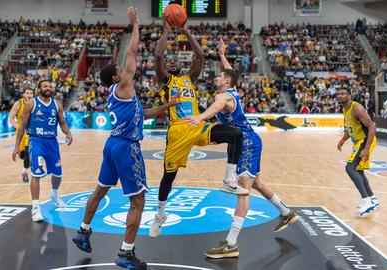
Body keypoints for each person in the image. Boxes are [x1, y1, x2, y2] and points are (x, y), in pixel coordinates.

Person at [71, 7, 180, 270]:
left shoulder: (118, 95)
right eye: (121, 70)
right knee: (138, 200)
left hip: (112, 145)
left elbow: (144, 113)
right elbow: (132, 52)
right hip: (126, 148)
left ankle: (83, 232)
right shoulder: (123, 85)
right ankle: (126, 253)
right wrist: (136, 25)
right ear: (117, 77)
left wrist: (168, 106)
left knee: (100, 190)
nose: (125, 69)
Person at [186, 39, 299, 258]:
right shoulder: (232, 89)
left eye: (220, 75)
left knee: (243, 190)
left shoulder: (224, 96)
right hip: (250, 140)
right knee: (256, 183)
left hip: (246, 143)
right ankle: (286, 212)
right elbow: (230, 73)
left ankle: (231, 244)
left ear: (226, 81)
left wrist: (199, 117)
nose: (217, 76)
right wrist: (221, 55)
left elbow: (217, 106)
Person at [149, 17, 249, 239]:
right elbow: (158, 55)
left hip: (199, 125)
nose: (173, 62)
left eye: (176, 61)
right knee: (168, 177)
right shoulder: (165, 80)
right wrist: (166, 31)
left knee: (235, 135)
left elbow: (201, 56)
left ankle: (228, 180)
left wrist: (186, 32)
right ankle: (160, 215)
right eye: (170, 61)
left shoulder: (189, 79)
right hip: (177, 131)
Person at [12, 79, 73, 222]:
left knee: (58, 174)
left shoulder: (57, 105)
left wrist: (68, 133)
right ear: (39, 89)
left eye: (50, 86)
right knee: (36, 173)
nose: (48, 88)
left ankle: (54, 194)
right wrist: (17, 146)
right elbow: (21, 127)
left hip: (52, 142)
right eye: (45, 86)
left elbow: (62, 123)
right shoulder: (31, 104)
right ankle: (35, 207)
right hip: (36, 141)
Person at [337, 87, 379, 217]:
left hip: (366, 140)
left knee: (350, 168)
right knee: (358, 171)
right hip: (358, 141)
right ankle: (372, 199)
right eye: (338, 94)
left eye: (343, 94)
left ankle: (366, 201)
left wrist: (366, 149)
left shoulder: (357, 108)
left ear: (349, 96)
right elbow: (351, 128)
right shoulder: (345, 109)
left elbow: (372, 126)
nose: (340, 95)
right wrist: (343, 139)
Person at [9, 88, 34, 182]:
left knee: (28, 153)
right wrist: (18, 127)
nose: (29, 95)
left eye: (31, 93)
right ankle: (22, 157)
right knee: (22, 155)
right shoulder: (18, 104)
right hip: (20, 132)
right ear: (23, 94)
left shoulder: (35, 104)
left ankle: (24, 172)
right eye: (27, 93)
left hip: (30, 132)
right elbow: (11, 119)